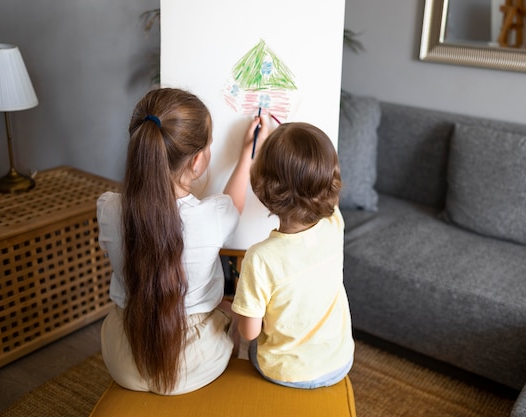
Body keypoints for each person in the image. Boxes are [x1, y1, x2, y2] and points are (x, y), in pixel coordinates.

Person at [96, 87, 269, 395]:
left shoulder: (108, 208)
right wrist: (247, 156)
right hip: (193, 364)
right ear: (198, 162)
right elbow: (233, 204)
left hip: (123, 356)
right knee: (231, 309)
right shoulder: (212, 216)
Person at [231, 122, 355, 389]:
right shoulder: (335, 223)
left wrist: (256, 149)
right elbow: (326, 188)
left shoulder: (260, 258)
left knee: (237, 332)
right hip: (339, 362)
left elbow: (249, 332)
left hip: (283, 371)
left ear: (262, 187)